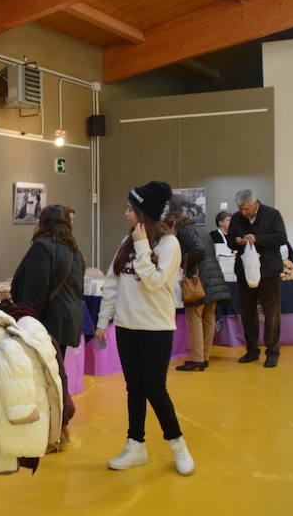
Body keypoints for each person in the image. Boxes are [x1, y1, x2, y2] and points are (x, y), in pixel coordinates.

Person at [96, 181, 194, 476]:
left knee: (155, 388)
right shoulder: (126, 243)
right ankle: (135, 444)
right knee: (134, 388)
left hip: (156, 329)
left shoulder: (169, 245)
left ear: (144, 213)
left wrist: (141, 247)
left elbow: (155, 283)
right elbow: (112, 283)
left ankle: (177, 444)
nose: (126, 213)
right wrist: (103, 322)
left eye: (130, 209)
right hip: (127, 327)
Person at [11, 205, 86, 352]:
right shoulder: (73, 250)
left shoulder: (42, 247)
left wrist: (27, 318)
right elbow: (79, 288)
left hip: (48, 321)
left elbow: (36, 289)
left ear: (43, 223)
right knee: (57, 368)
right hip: (67, 320)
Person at [227, 189, 287, 368]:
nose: (243, 213)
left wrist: (257, 239)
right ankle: (252, 350)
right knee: (248, 313)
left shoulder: (272, 214)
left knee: (271, 313)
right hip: (244, 272)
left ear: (255, 203)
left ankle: (272, 352)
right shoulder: (237, 218)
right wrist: (237, 241)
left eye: (247, 209)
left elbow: (281, 238)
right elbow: (229, 240)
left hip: (269, 272)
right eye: (241, 209)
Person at [164, 213, 231, 372]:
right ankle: (204, 357)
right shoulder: (200, 229)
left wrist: (181, 260)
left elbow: (198, 250)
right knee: (208, 319)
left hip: (198, 281)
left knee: (194, 318)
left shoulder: (185, 231)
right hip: (213, 280)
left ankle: (196, 359)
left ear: (173, 225)